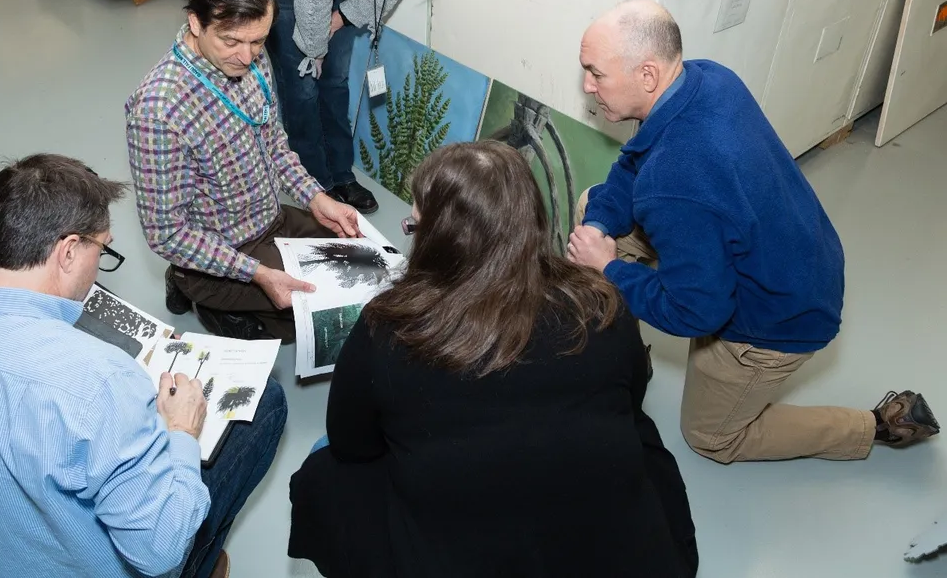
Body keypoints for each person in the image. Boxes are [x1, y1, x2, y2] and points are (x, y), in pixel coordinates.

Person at [288, 141, 698, 578]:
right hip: (615, 549)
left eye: (416, 226)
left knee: (323, 460)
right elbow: (632, 401)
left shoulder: (388, 329)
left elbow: (353, 443)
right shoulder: (601, 305)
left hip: (462, 547)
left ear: (442, 240)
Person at [0, 154, 287, 578]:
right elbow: (157, 551)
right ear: (69, 251)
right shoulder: (99, 381)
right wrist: (181, 432)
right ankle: (199, 564)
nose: (100, 262)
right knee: (267, 401)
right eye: (102, 246)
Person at [567, 0, 940, 464]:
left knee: (710, 437)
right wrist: (599, 228)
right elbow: (634, 163)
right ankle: (618, 350)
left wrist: (609, 270)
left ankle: (877, 426)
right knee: (591, 213)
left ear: (647, 75)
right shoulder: (705, 78)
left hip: (778, 316)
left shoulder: (675, 183)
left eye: (596, 73)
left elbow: (697, 312)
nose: (587, 86)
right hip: (796, 255)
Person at [126, 0, 361, 342]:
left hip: (269, 219)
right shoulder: (157, 111)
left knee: (359, 263)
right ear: (196, 22)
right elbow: (166, 234)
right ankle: (202, 296)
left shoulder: (249, 58)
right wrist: (259, 274)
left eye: (258, 41)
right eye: (231, 40)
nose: (247, 56)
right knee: (321, 319)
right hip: (222, 252)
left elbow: (274, 145)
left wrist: (316, 197)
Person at [241, 0, 455, 215]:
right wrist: (314, 50)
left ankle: (341, 174)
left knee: (336, 79)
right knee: (303, 84)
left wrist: (341, 19)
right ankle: (315, 186)